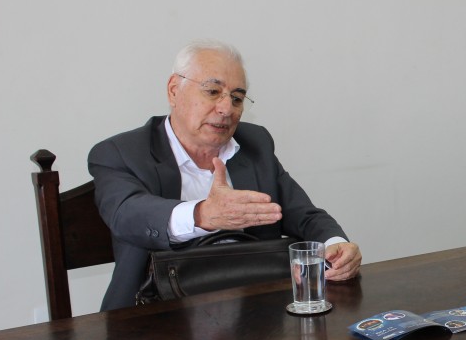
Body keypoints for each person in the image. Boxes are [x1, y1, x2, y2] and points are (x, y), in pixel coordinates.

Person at [89, 40, 361, 311]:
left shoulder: (255, 145)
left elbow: (303, 214)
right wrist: (202, 215)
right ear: (174, 90)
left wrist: (336, 245)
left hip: (254, 313)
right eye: (212, 91)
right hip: (154, 316)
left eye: (237, 98)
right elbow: (127, 214)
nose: (226, 108)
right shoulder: (120, 153)